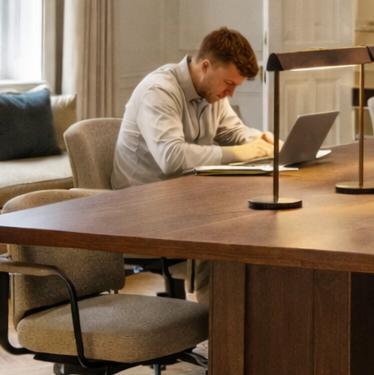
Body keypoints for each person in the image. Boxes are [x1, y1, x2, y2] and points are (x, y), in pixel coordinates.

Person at [112, 27, 275, 304]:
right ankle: (217, 321)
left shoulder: (213, 93)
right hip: (138, 207)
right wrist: (241, 153)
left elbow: (233, 132)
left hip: (184, 197)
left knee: (258, 212)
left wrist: (261, 139)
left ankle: (247, 317)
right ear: (206, 66)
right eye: (229, 83)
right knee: (226, 218)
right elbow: (172, 158)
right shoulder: (160, 91)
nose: (231, 93)